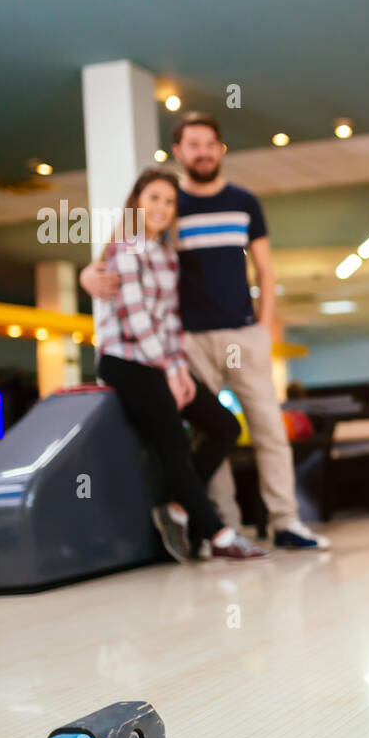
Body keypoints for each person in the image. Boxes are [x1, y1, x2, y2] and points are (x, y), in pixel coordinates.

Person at [82, 112, 329, 551]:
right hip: (189, 341)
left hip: (238, 335)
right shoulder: (171, 203)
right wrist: (87, 277)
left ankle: (285, 522)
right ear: (178, 152)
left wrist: (264, 326)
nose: (202, 152)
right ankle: (218, 526)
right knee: (208, 432)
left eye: (209, 144)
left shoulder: (243, 202)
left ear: (220, 149)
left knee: (267, 429)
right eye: (193, 145)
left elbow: (266, 270)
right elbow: (117, 260)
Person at [92, 167, 269, 563]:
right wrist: (170, 371)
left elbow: (170, 320)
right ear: (137, 201)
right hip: (126, 361)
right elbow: (136, 318)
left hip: (162, 361)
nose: (161, 207)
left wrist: (178, 369)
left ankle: (176, 509)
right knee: (173, 440)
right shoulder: (124, 248)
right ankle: (220, 535)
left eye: (169, 201)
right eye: (154, 198)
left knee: (225, 425)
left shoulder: (166, 256)